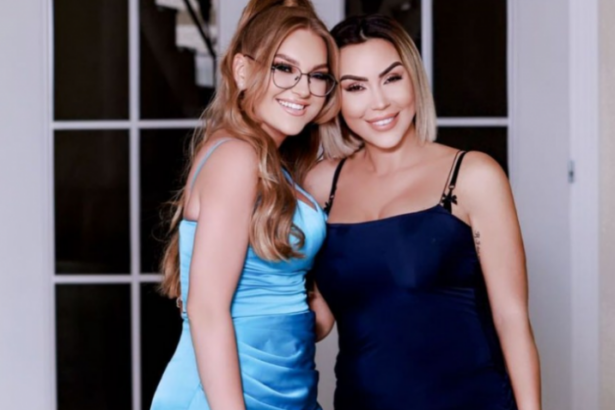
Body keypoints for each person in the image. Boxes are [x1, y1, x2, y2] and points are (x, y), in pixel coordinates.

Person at [306, 14, 541, 410]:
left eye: (391, 78)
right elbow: (319, 320)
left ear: (414, 79)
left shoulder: (472, 176)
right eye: (355, 87)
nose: (379, 102)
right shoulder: (320, 186)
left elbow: (512, 319)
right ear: (335, 99)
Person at [150, 1, 339, 409]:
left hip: (285, 387)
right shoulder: (237, 157)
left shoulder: (274, 166)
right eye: (284, 68)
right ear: (242, 71)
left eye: (317, 75)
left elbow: (313, 319)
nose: (303, 89)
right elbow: (206, 309)